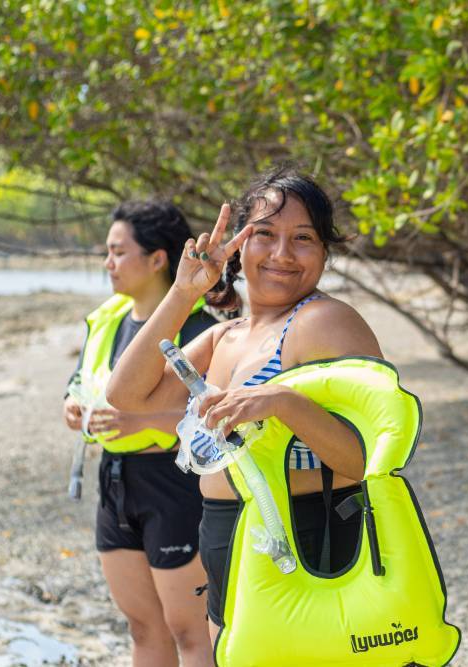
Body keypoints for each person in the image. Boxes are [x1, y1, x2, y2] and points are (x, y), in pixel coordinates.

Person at [105, 168, 381, 643]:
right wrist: (184, 290)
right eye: (265, 235)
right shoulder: (225, 335)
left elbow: (373, 459)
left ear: (324, 251)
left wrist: (286, 402)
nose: (281, 254)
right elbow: (125, 396)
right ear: (239, 245)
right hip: (223, 532)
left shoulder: (324, 322)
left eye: (303, 238)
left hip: (309, 534)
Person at [63, 200, 217, 666]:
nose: (107, 264)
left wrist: (141, 421)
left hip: (175, 484)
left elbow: (220, 417)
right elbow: (80, 381)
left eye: (117, 252)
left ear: (157, 259)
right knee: (142, 627)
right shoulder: (107, 319)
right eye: (105, 253)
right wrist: (72, 408)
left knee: (190, 630)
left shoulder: (200, 327)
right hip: (115, 482)